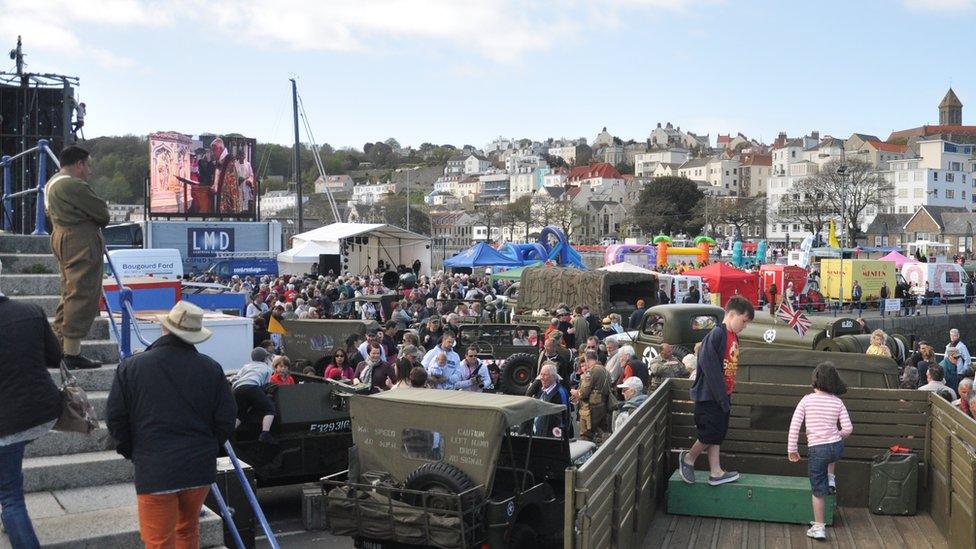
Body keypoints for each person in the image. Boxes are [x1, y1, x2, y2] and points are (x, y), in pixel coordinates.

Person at [106, 301, 236, 549]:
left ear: (165, 329)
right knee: (187, 531)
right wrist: (208, 446)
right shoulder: (211, 368)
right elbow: (226, 420)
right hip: (198, 467)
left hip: (155, 468)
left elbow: (116, 419)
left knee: (158, 542)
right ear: (194, 336)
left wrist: (133, 452)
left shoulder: (132, 367)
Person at [0, 273, 63, 548]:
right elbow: (55, 357)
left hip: (8, 421)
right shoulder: (31, 311)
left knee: (11, 497)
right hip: (41, 411)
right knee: (9, 468)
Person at [45, 145, 109, 370]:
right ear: (79, 164)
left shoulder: (51, 183)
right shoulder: (73, 185)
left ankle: (59, 345)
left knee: (69, 292)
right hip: (79, 242)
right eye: (87, 165)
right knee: (82, 293)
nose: (89, 171)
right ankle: (72, 352)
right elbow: (102, 213)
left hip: (62, 236)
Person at [679, 295, 755, 486]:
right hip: (710, 396)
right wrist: (722, 398)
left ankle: (716, 471)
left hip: (721, 395)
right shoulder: (717, 334)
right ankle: (688, 458)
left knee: (717, 434)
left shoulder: (733, 336)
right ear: (731, 314)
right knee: (710, 433)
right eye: (743, 321)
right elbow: (710, 368)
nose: (744, 326)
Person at [787, 362, 853, 541]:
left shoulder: (807, 400)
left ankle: (818, 526)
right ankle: (831, 478)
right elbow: (847, 429)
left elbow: (794, 426)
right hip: (836, 448)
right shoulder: (838, 402)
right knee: (831, 454)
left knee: (818, 490)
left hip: (817, 449)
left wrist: (792, 449)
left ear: (815, 380)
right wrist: (836, 435)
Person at [231, 348, 277, 444]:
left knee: (240, 414)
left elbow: (236, 378)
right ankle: (265, 434)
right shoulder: (267, 368)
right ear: (264, 358)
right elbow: (265, 385)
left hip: (237, 389)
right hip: (252, 387)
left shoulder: (246, 366)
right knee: (270, 409)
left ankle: (227, 434)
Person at [571, 352, 612, 442]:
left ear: (587, 360)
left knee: (585, 436)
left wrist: (576, 392)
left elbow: (584, 393)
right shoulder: (605, 371)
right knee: (602, 434)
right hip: (603, 406)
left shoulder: (591, 371)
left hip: (591, 409)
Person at [525, 362, 572, 438]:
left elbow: (565, 418)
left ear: (553, 377)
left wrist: (557, 438)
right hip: (537, 435)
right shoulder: (542, 391)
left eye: (545, 375)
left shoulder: (560, 393)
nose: (541, 378)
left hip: (550, 438)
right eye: (541, 374)